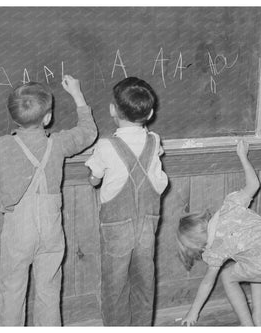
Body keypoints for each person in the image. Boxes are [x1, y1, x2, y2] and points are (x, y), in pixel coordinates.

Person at [0, 76, 97, 326]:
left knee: (12, 291)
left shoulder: (1, 145)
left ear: (13, 117)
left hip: (17, 230)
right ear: (47, 118)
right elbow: (88, 132)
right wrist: (77, 94)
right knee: (48, 292)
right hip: (51, 228)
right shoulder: (58, 143)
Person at [176, 140, 261, 326]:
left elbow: (207, 284)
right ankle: (257, 322)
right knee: (252, 266)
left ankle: (248, 326)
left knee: (227, 276)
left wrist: (192, 313)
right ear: (202, 219)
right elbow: (254, 184)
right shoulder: (229, 205)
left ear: (196, 244)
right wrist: (242, 156)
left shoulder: (215, 250)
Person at [85, 76, 168, 326]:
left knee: (114, 285)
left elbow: (94, 179)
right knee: (144, 280)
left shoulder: (106, 145)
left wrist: (93, 177)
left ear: (113, 109)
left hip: (116, 225)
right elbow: (160, 181)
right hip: (147, 223)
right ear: (151, 112)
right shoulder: (154, 141)